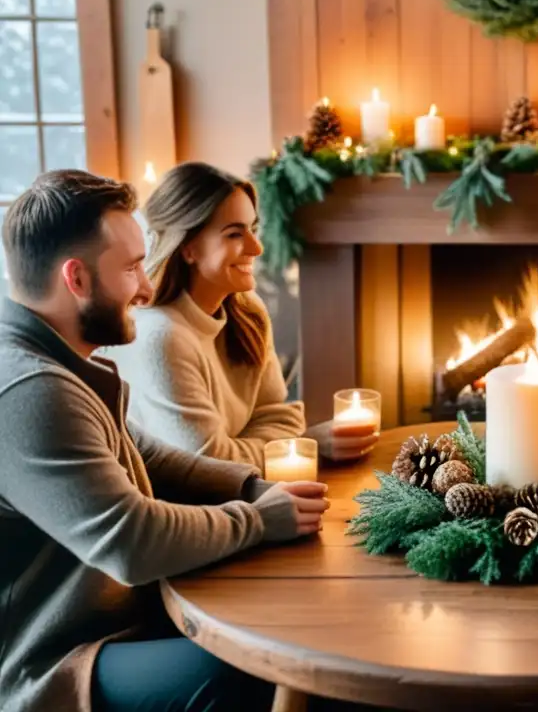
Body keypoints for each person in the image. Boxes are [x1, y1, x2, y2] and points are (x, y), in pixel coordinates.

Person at [0, 170, 330, 711]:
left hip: (126, 618)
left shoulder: (63, 361)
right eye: (131, 269)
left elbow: (148, 456)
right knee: (257, 668)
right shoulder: (29, 390)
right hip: (59, 660)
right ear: (76, 279)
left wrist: (252, 485)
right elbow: (131, 541)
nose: (148, 287)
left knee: (291, 626)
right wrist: (258, 519)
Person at [105, 162, 376, 470]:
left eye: (253, 229)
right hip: (184, 508)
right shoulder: (161, 336)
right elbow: (209, 465)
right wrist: (304, 445)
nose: (256, 247)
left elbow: (280, 416)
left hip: (247, 491)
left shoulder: (247, 310)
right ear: (188, 248)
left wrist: (255, 447)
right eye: (234, 234)